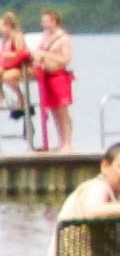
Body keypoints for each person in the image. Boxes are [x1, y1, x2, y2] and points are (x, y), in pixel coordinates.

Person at [0, 13, 37, 142]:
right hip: (9, 66)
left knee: (8, 76)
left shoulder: (17, 37)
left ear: (8, 26)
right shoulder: (5, 39)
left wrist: (7, 55)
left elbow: (21, 53)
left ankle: (21, 98)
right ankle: (2, 96)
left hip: (22, 67)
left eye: (1, 27)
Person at [39, 12, 80, 158]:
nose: (43, 24)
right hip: (47, 77)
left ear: (54, 21)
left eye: (46, 21)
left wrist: (46, 55)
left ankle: (68, 142)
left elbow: (66, 59)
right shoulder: (44, 38)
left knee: (63, 112)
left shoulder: (63, 38)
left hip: (59, 77)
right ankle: (60, 141)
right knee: (54, 111)